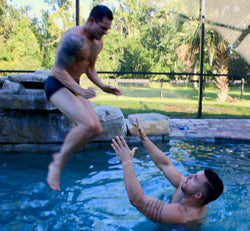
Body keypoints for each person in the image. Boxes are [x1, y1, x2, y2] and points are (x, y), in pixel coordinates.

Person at [45, 5, 121, 191]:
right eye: (103, 28)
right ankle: (58, 163)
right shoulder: (73, 39)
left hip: (75, 88)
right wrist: (79, 88)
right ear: (92, 21)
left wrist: (103, 87)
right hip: (57, 85)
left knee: (96, 128)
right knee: (87, 125)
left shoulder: (97, 43)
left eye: (108, 29)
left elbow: (89, 68)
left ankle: (60, 157)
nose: (105, 32)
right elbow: (57, 70)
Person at [111, 117, 223, 226]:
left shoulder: (180, 216)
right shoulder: (192, 192)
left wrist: (126, 162)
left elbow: (137, 201)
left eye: (195, 178)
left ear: (198, 195)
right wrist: (144, 139)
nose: (189, 175)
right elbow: (165, 165)